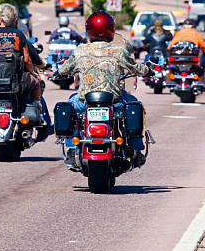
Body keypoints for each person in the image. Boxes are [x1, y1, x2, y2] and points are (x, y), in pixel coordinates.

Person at [57, 10, 153, 168]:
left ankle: (72, 148)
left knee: (70, 107)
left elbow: (64, 69)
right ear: (111, 30)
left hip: (84, 101)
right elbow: (136, 68)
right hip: (114, 101)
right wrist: (149, 71)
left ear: (88, 30)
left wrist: (57, 73)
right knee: (134, 104)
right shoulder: (118, 51)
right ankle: (136, 149)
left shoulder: (80, 50)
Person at [0, 3, 41, 105]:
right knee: (36, 81)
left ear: (0, 19)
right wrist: (33, 73)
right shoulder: (19, 35)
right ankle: (38, 106)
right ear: (15, 19)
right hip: (16, 81)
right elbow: (27, 60)